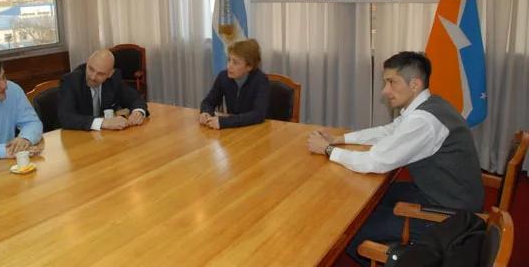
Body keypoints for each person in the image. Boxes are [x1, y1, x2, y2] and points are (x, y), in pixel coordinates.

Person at [307, 51, 484, 266]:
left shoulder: (424, 121)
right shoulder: (429, 105)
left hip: (449, 214)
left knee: (348, 230)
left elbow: (375, 162)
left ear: (415, 84)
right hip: (438, 193)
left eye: (392, 82)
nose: (385, 91)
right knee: (359, 201)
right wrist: (339, 139)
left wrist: (327, 150)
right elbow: (388, 131)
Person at [58, 49, 148, 131]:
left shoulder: (114, 78)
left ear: (110, 74)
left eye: (100, 74)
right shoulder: (70, 81)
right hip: (75, 137)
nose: (93, 77)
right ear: (87, 62)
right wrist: (103, 123)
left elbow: (135, 98)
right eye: (91, 69)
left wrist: (138, 112)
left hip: (102, 137)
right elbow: (66, 118)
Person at [199, 39, 269, 129]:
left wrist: (225, 122)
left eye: (235, 63)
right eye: (229, 60)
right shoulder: (223, 77)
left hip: (256, 130)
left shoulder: (261, 80)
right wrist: (206, 113)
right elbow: (208, 102)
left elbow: (258, 115)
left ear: (249, 67)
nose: (229, 66)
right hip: (233, 130)